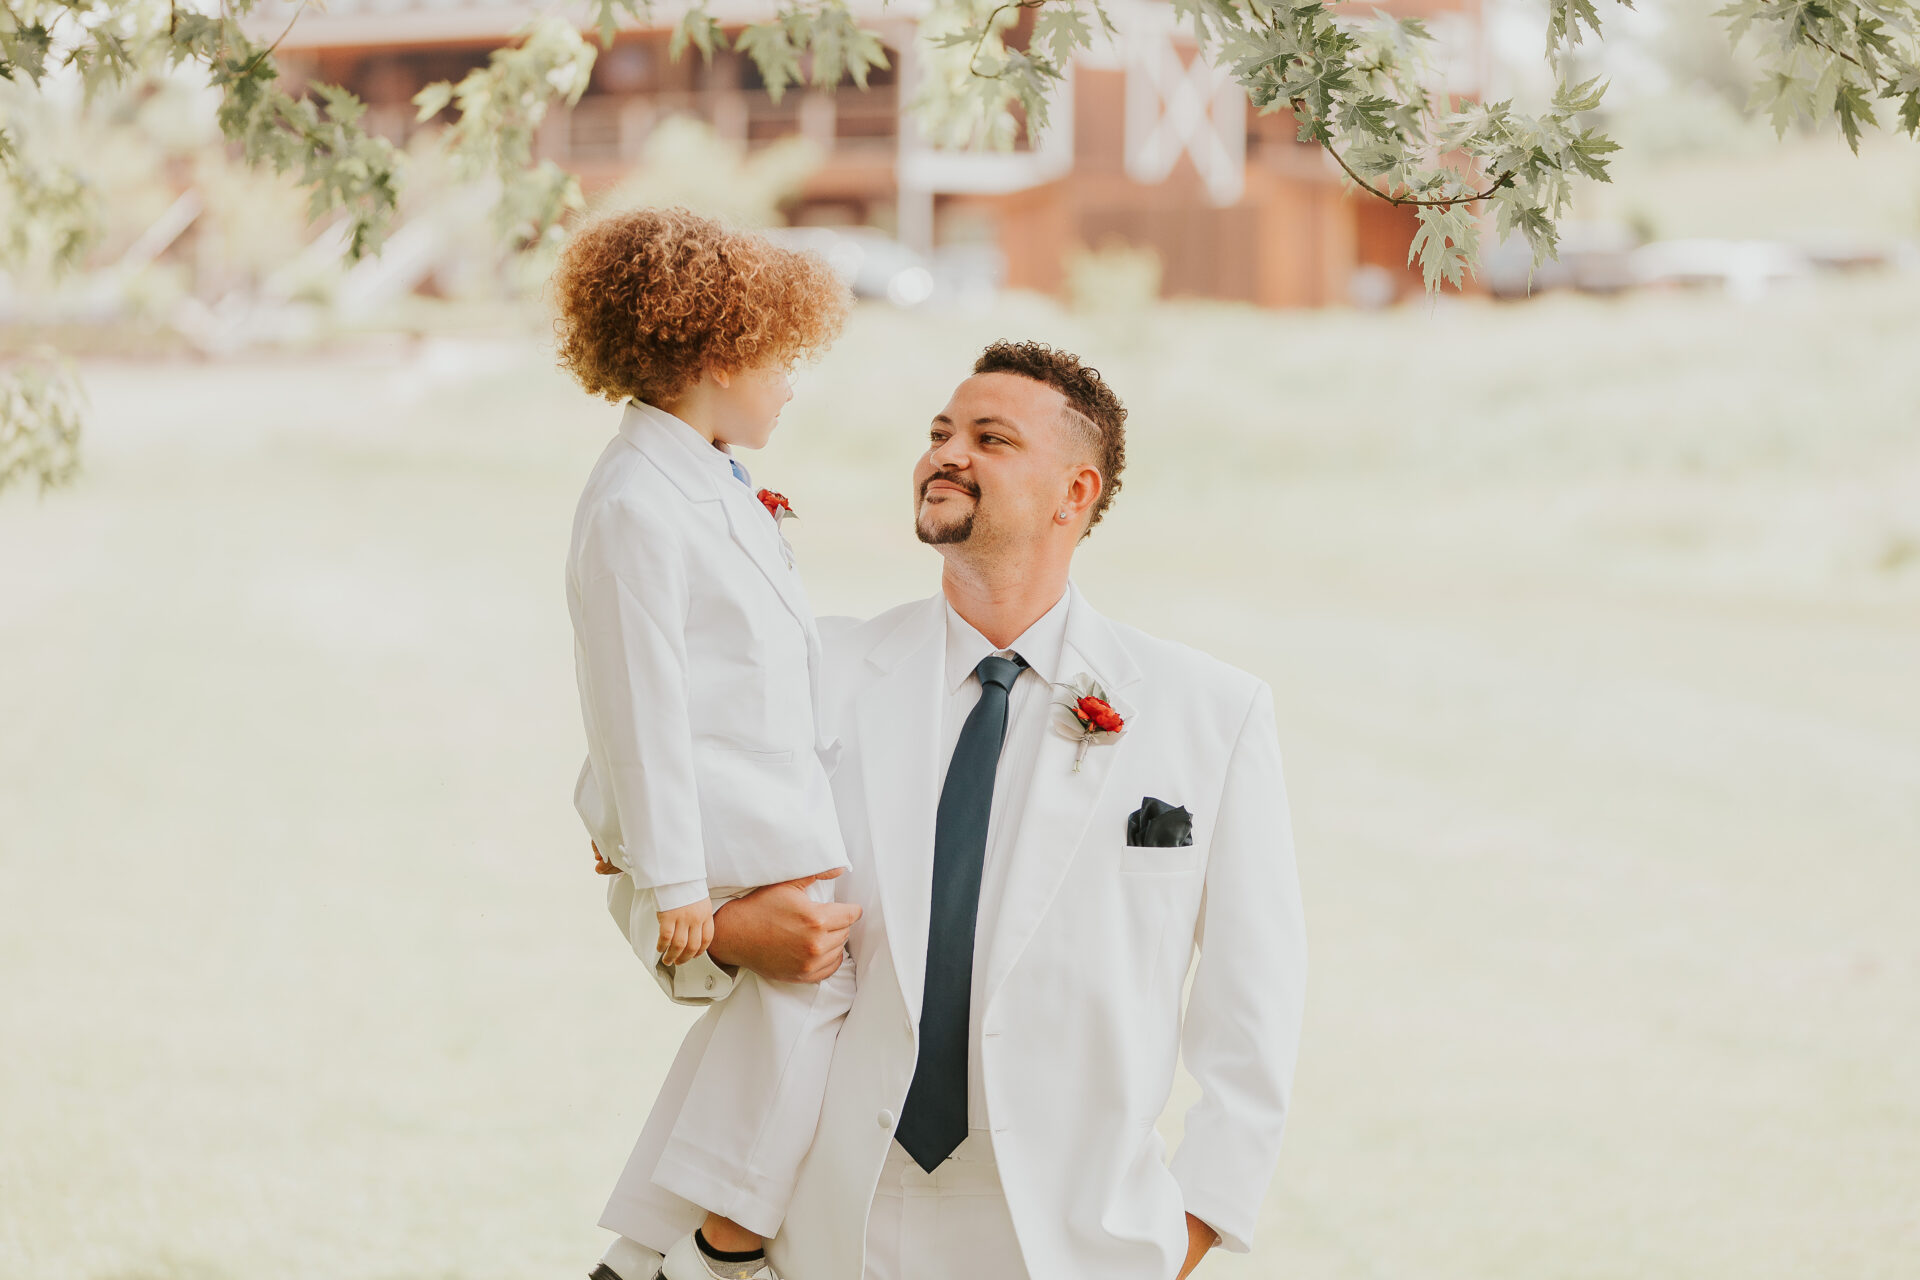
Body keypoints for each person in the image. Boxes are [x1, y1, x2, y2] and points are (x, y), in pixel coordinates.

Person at [595, 341, 1307, 1280]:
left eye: (991, 437)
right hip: (830, 1210)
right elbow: (642, 828)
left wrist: (1196, 1225)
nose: (947, 452)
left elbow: (1255, 996)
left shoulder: (1212, 713)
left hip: (1071, 1228)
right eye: (939, 432)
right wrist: (727, 930)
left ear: (1075, 492)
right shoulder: (813, 674)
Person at [556, 206, 858, 1280]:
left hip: (766, 791)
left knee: (783, 1012)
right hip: (723, 809)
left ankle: (643, 1251)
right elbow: (634, 690)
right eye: (783, 359)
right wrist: (678, 880)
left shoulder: (712, 473)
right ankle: (721, 1244)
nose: (791, 384)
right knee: (822, 978)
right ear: (720, 353)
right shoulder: (639, 499)